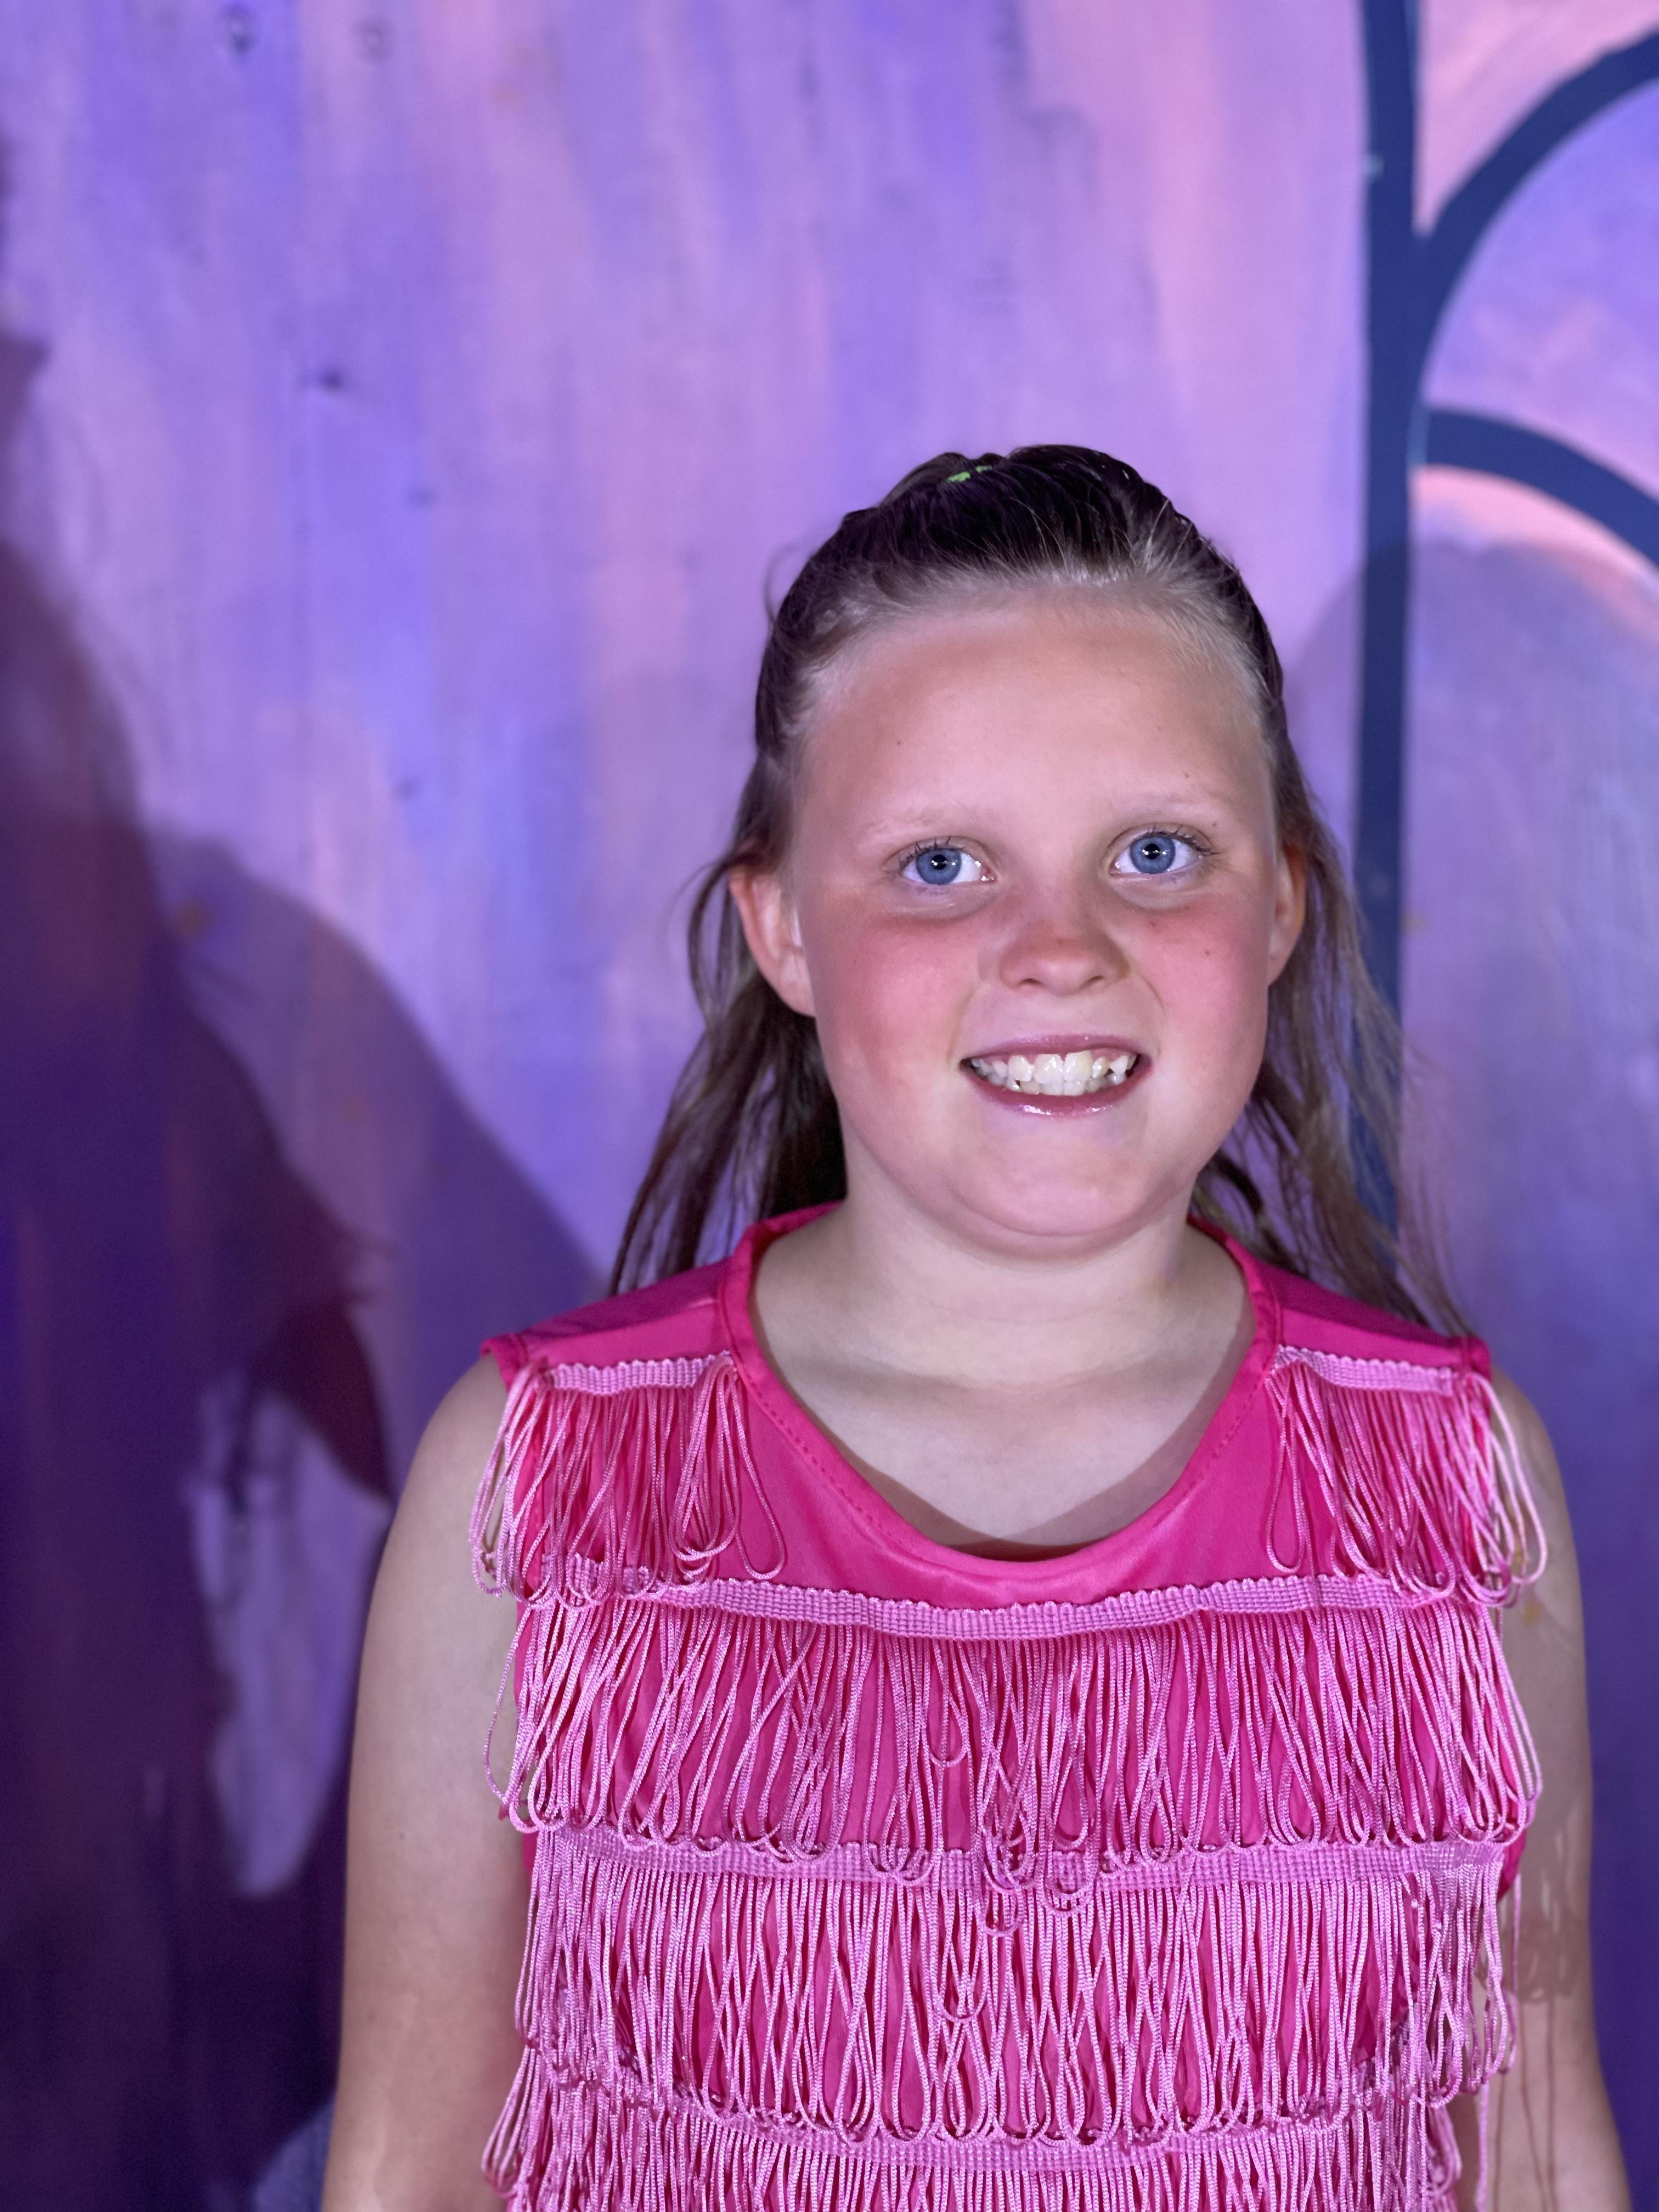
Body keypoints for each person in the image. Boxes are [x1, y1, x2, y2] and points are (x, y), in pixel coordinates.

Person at [321, 447, 1626, 2210]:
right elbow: (408, 2171)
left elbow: (1533, 2154)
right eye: (941, 865)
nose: (1061, 947)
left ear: (1282, 905)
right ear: (784, 929)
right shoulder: (538, 1489)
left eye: (1156, 853)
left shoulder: (1458, 1487)